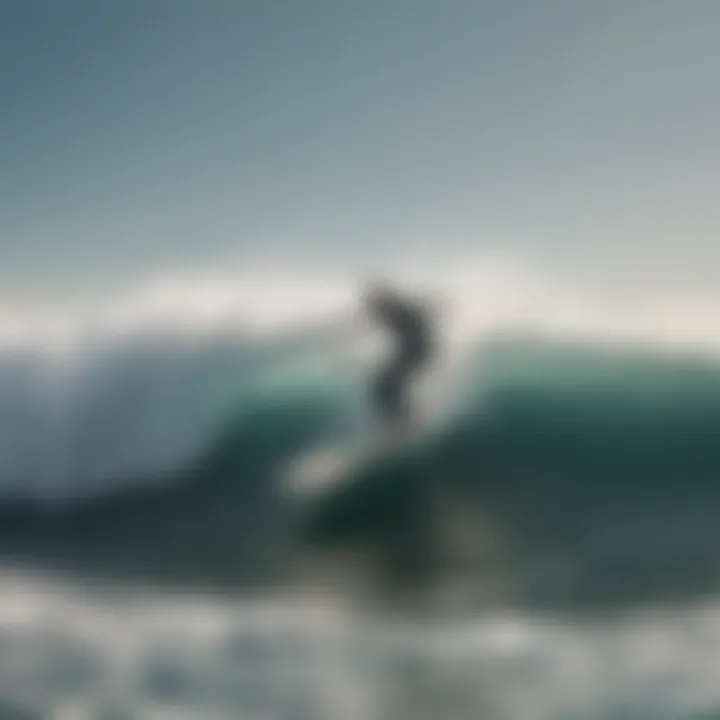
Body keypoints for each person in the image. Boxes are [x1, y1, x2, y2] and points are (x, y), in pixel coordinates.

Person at [364, 280, 435, 435]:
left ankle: (406, 424)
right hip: (413, 350)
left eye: (374, 304)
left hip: (419, 350)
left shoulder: (398, 309)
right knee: (383, 386)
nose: (373, 310)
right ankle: (401, 422)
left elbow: (421, 315)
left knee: (387, 385)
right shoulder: (392, 310)